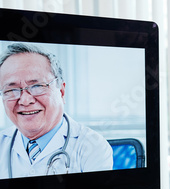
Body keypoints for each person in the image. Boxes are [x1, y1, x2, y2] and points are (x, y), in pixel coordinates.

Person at [0, 42, 113, 178]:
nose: (25, 100)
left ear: (62, 91)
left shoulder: (92, 147)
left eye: (37, 86)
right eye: (11, 90)